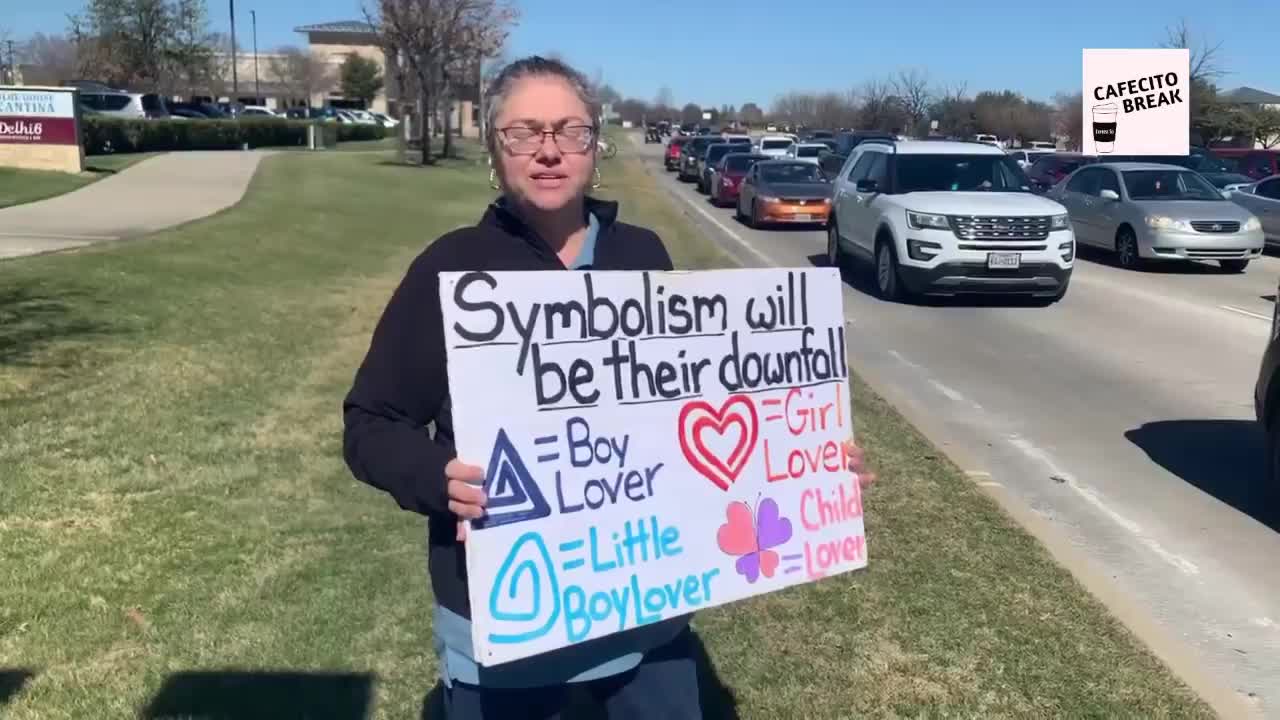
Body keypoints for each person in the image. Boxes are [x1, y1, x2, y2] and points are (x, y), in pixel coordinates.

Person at [341, 55, 876, 720]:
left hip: (645, 626)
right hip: (506, 636)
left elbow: (697, 415)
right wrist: (433, 474)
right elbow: (371, 422)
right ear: (495, 150)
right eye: (523, 133)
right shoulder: (452, 269)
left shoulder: (642, 255)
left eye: (568, 131)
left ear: (595, 146)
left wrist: (808, 461)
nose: (547, 152)